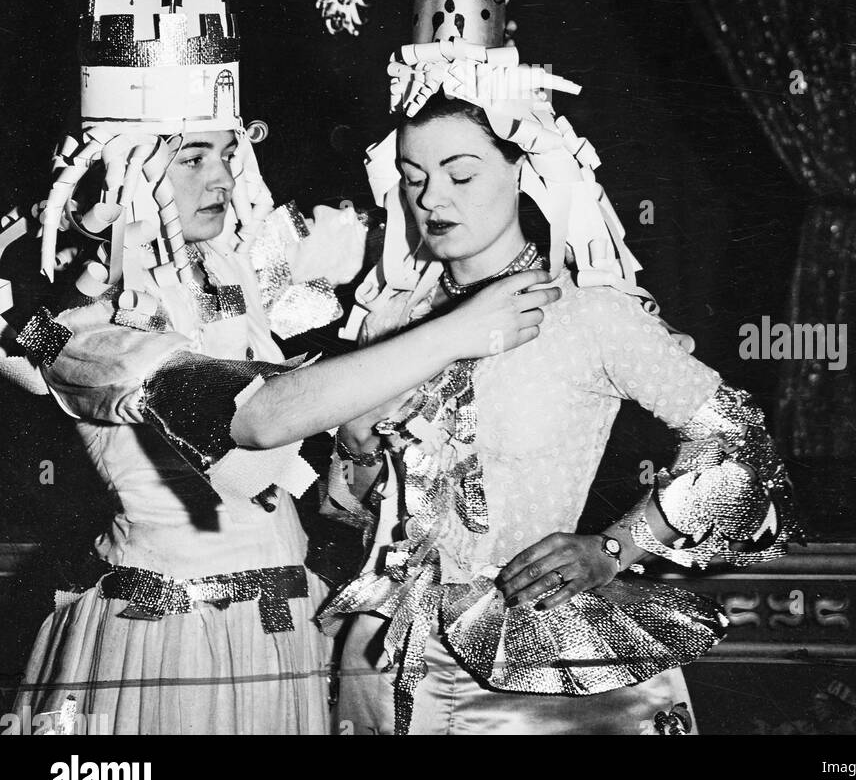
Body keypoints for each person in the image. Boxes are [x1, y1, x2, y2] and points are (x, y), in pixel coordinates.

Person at [9, 124, 555, 736]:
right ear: (122, 176)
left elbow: (395, 229)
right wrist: (459, 332)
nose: (223, 177)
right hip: (167, 634)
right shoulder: (71, 332)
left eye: (228, 155)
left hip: (285, 619)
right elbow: (255, 418)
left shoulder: (237, 265)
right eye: (193, 159)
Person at [324, 95, 797, 736]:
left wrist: (615, 546)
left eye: (461, 175)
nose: (432, 198)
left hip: (540, 668)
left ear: (523, 171)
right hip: (386, 659)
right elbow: (349, 508)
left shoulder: (589, 316)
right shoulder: (390, 320)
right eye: (413, 179)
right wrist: (355, 448)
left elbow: (736, 438)